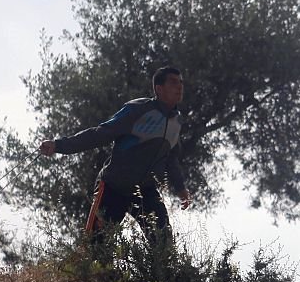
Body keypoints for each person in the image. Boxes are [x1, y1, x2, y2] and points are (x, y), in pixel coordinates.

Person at [39, 66, 192, 254]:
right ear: (159, 89)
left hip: (145, 192)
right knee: (94, 250)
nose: (180, 87)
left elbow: (171, 159)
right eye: (173, 82)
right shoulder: (137, 110)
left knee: (164, 247)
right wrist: (58, 145)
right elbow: (100, 134)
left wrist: (181, 188)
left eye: (181, 82)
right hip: (113, 188)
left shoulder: (177, 121)